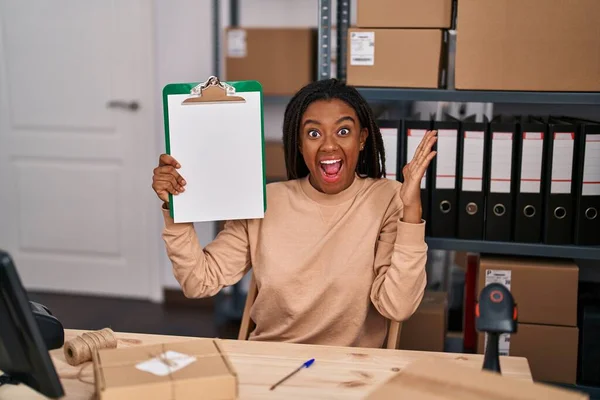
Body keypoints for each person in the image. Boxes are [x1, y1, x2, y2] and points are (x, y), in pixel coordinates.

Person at [152, 78, 437, 348]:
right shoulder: (266, 201)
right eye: (314, 133)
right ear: (299, 144)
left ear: (362, 139)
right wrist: (175, 208)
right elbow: (198, 282)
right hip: (271, 361)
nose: (328, 145)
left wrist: (412, 211)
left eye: (343, 131)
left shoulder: (388, 199)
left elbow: (397, 306)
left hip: (349, 372)